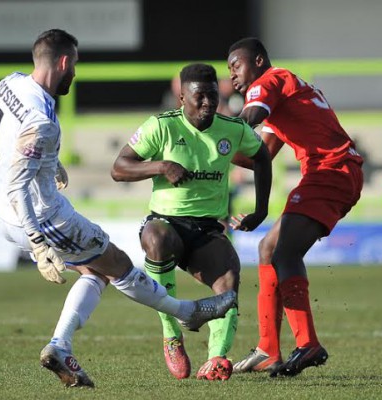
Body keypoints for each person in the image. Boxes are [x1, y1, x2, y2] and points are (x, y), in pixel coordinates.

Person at [0, 29, 236, 388]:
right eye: (73, 65)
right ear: (62, 62)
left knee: (94, 272)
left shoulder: (9, 85)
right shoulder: (40, 118)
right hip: (41, 216)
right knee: (118, 263)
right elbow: (19, 181)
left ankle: (61, 346)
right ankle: (188, 313)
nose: (74, 73)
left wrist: (49, 163)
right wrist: (38, 241)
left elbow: (6, 139)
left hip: (3, 213)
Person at [111, 63, 272, 381]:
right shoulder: (161, 126)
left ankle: (216, 360)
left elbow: (262, 157)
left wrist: (261, 209)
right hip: (167, 224)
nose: (208, 103)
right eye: (200, 97)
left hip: (207, 230)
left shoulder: (232, 129)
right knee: (155, 238)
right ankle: (171, 335)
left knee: (228, 282)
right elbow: (119, 168)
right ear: (181, 97)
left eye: (213, 96)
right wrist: (160, 166)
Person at [227, 38, 364, 377]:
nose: (232, 76)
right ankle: (268, 349)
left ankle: (308, 344)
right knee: (268, 248)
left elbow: (249, 119)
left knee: (284, 253)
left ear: (258, 61)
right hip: (332, 172)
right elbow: (260, 155)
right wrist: (217, 151)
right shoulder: (284, 93)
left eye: (236, 66)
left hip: (330, 170)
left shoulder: (270, 82)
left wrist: (210, 133)